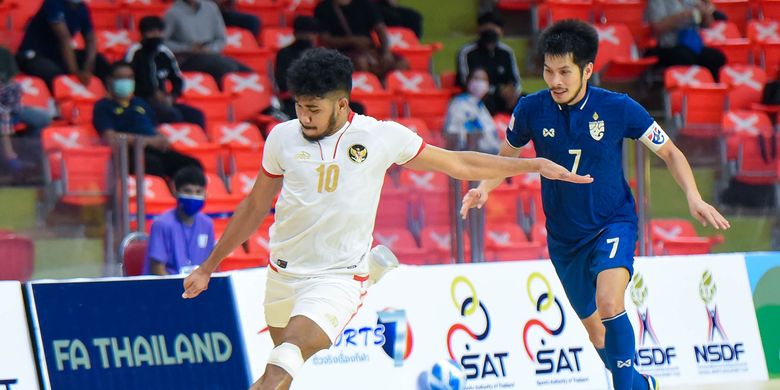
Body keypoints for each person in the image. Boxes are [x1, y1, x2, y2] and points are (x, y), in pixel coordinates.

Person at [181, 48, 593, 390]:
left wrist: (533, 164)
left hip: (336, 277)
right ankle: (375, 269)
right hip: (283, 272)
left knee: (282, 360)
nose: (304, 117)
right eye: (299, 107)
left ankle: (366, 272)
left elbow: (458, 162)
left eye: (313, 109)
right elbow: (254, 206)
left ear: (341, 104)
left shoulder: (380, 136)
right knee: (284, 368)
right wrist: (208, 266)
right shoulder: (282, 137)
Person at [462, 20, 731, 390]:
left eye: (565, 72)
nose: (554, 80)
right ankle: (640, 384)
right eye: (548, 70)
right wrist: (484, 188)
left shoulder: (618, 108)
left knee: (609, 302)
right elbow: (506, 158)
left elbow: (668, 149)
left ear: (587, 70)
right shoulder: (530, 109)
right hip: (564, 237)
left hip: (612, 223)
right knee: (596, 335)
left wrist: (693, 195)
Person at [93, 61, 202, 179]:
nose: (126, 82)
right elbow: (110, 137)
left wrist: (162, 139)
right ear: (110, 81)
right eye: (121, 78)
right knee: (153, 164)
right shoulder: (103, 106)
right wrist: (144, 141)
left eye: (129, 78)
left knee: (192, 164)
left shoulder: (140, 103)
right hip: (130, 152)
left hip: (154, 148)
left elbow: (154, 129)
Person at [125, 16, 206, 129]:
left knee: (196, 115)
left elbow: (177, 79)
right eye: (152, 32)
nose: (156, 35)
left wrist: (172, 96)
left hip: (165, 101)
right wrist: (152, 93)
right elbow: (128, 79)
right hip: (141, 101)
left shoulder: (165, 53)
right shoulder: (135, 52)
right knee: (173, 115)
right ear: (143, 34)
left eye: (159, 32)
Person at [15, 0, 111, 90]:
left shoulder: (82, 8)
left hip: (58, 55)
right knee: (53, 74)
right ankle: (56, 103)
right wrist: (74, 72)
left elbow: (90, 39)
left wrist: (88, 68)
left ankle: (109, 97)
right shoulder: (53, 3)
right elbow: (64, 38)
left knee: (100, 61)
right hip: (35, 54)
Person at [145, 166, 215, 275]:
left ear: (205, 194)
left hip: (197, 288)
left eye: (198, 192)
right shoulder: (161, 224)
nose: (193, 196)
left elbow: (211, 265)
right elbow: (157, 270)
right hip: (167, 287)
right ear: (175, 191)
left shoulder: (207, 224)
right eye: (187, 191)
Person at [164, 0, 251, 86]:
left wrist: (209, 49)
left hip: (210, 53)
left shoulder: (211, 8)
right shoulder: (172, 13)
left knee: (246, 72)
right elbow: (163, 43)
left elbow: (221, 39)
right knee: (226, 67)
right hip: (187, 58)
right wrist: (187, 48)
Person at [314, 0, 405, 77]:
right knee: (361, 62)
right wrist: (353, 40)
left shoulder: (364, 3)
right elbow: (325, 40)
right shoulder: (323, 8)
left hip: (368, 50)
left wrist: (386, 52)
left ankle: (392, 94)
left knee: (401, 63)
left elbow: (380, 29)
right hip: (341, 52)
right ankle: (366, 93)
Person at [456, 12, 522, 115]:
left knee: (528, 102)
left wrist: (513, 94)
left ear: (501, 31)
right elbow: (465, 81)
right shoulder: (467, 52)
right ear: (478, 29)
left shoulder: (506, 52)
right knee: (488, 103)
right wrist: (497, 91)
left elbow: (515, 80)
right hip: (480, 96)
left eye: (495, 27)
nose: (491, 30)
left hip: (506, 97)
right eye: (487, 26)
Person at [0, 46, 52, 174]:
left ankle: (26, 153)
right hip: (3, 112)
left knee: (43, 118)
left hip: (9, 106)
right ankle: (10, 158)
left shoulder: (4, 53)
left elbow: (10, 80)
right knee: (3, 118)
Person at [644, 0, 726, 80]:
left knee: (716, 57)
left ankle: (710, 90)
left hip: (691, 45)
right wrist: (684, 15)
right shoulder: (657, 1)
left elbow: (709, 24)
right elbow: (657, 28)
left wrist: (705, 13)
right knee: (686, 57)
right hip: (668, 46)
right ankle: (685, 90)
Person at [443, 67, 501, 153]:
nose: (480, 83)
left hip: (491, 154)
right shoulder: (458, 103)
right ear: (468, 81)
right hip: (472, 154)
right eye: (476, 78)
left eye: (484, 79)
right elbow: (452, 135)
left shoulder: (481, 106)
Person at [275, 16, 320, 119]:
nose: (307, 37)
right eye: (303, 34)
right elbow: (283, 82)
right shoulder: (284, 53)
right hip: (294, 101)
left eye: (310, 34)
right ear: (295, 34)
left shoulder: (320, 55)